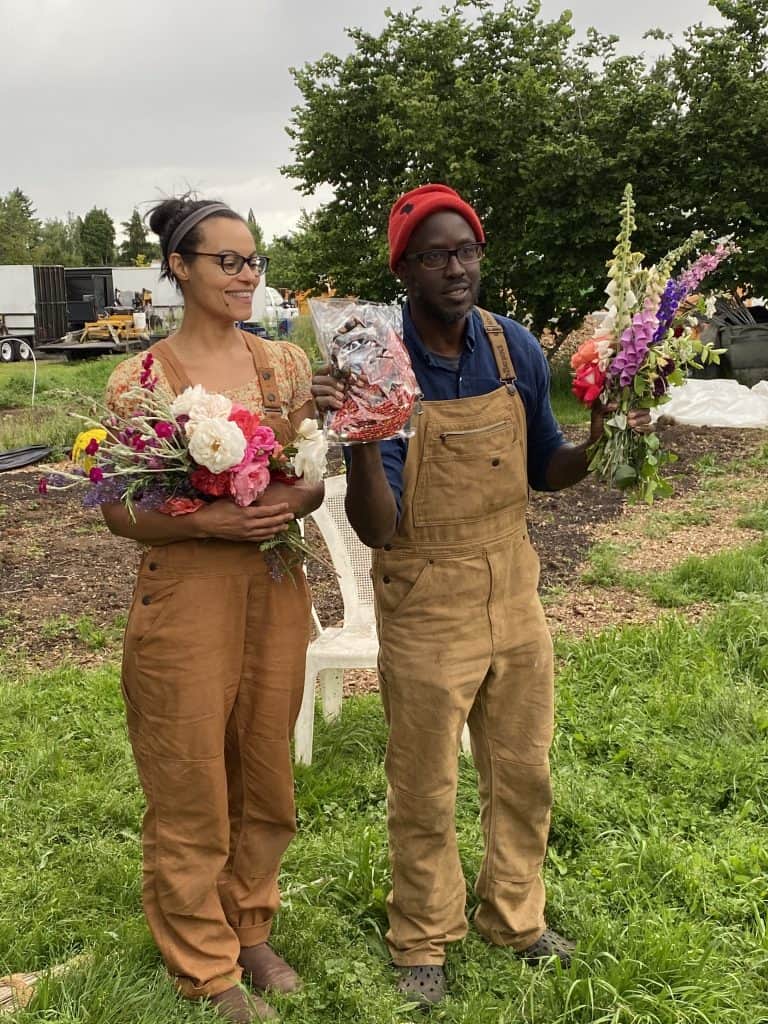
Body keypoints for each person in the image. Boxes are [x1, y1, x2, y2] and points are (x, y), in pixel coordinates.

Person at [311, 184, 651, 1006]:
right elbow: (377, 528)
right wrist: (359, 439)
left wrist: (599, 439)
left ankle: (515, 917)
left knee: (523, 768)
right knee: (424, 782)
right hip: (425, 591)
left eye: (466, 251)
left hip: (515, 586)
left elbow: (545, 468)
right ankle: (422, 934)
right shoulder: (377, 358)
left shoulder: (513, 349)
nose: (456, 268)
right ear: (405, 267)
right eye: (435, 254)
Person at [102, 196, 323, 1023]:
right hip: (186, 591)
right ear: (180, 268)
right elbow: (117, 509)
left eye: (254, 260)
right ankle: (204, 960)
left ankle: (249, 920)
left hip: (273, 585)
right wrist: (214, 520)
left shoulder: (283, 367)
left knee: (264, 762)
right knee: (188, 770)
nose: (246, 275)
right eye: (227, 260)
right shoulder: (141, 381)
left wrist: (289, 505)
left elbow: (310, 474)